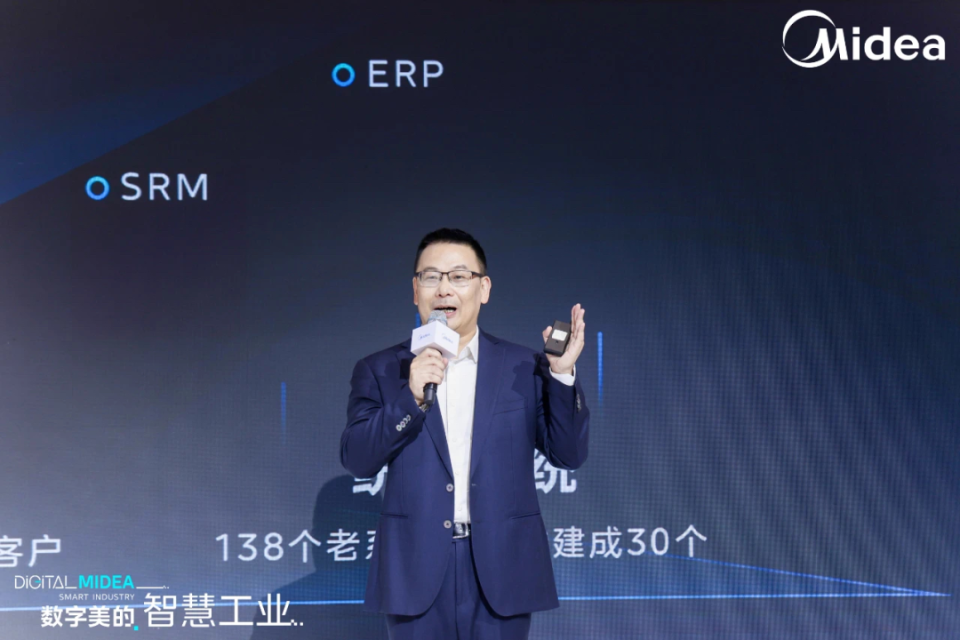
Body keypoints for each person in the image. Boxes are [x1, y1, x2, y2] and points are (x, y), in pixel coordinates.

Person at [340, 228, 589, 640]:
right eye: (431, 277)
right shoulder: (381, 369)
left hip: (503, 568)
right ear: (415, 290)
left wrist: (561, 377)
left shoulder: (524, 367)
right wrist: (410, 398)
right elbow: (357, 459)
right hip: (415, 570)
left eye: (458, 276)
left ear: (483, 288)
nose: (444, 289)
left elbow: (568, 454)